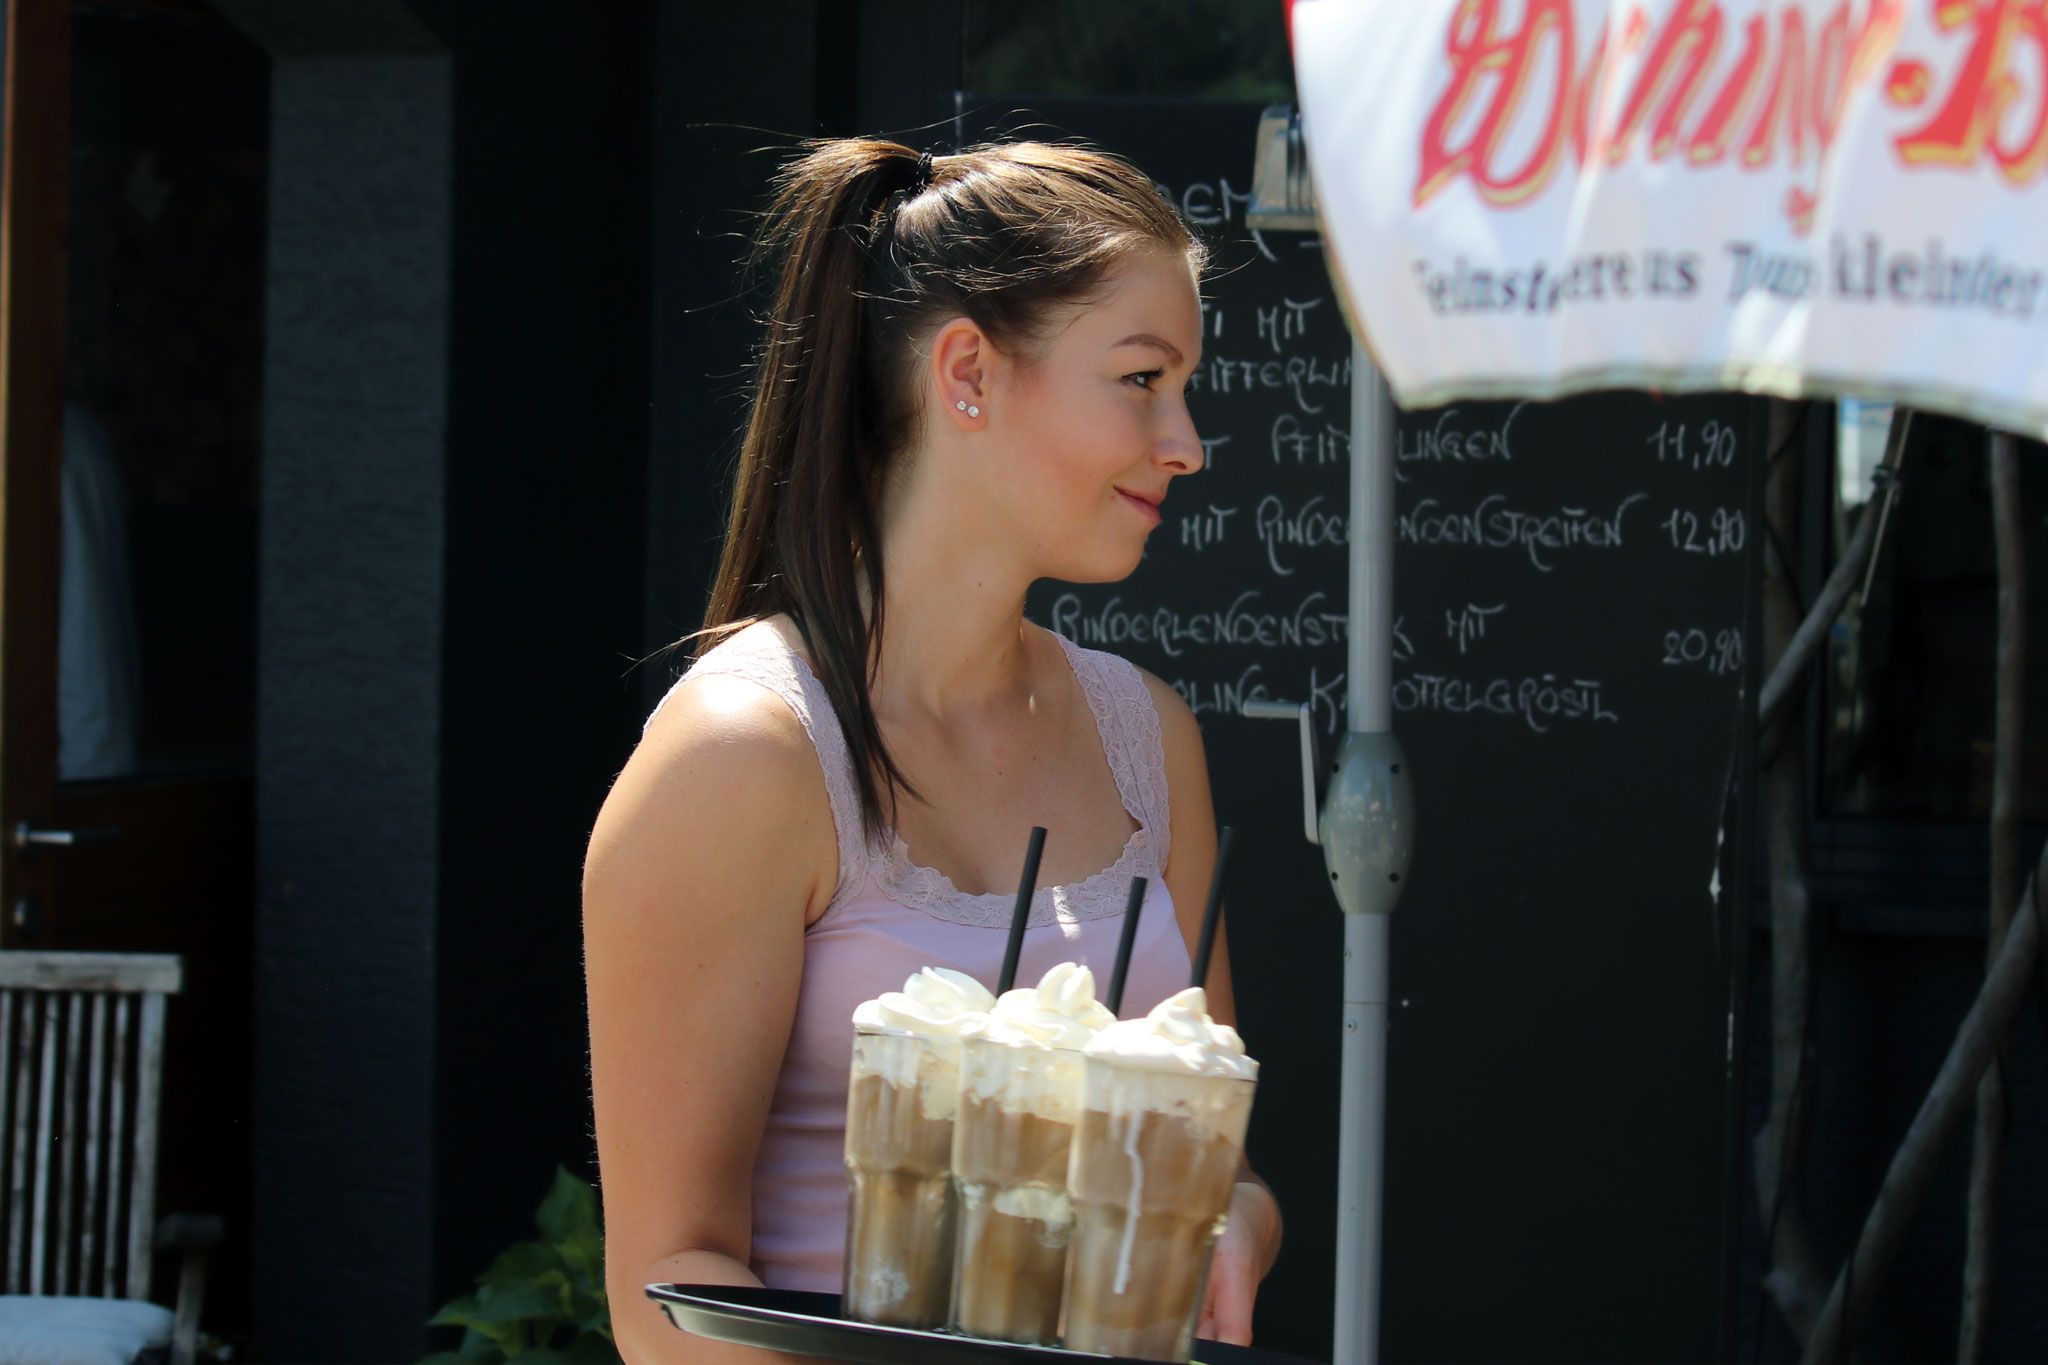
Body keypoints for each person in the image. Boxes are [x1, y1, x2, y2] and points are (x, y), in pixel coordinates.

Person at [584, 137, 1282, 1364]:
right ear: (966, 371)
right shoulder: (745, 758)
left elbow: (1214, 1159)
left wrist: (1225, 1219)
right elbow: (665, 1296)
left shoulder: (1145, 740)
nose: (1186, 442)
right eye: (1140, 379)